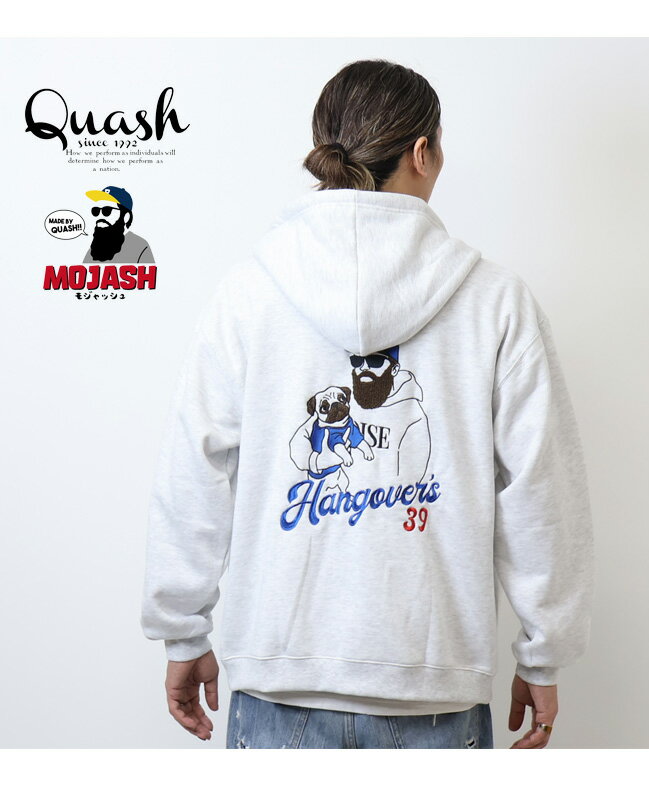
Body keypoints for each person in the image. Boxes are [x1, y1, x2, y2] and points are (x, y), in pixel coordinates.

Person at [140, 58, 594, 749]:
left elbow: (193, 468)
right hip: (436, 686)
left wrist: (182, 630)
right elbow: (543, 490)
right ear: (422, 152)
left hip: (279, 677)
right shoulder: (496, 302)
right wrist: (543, 653)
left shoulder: (249, 292)